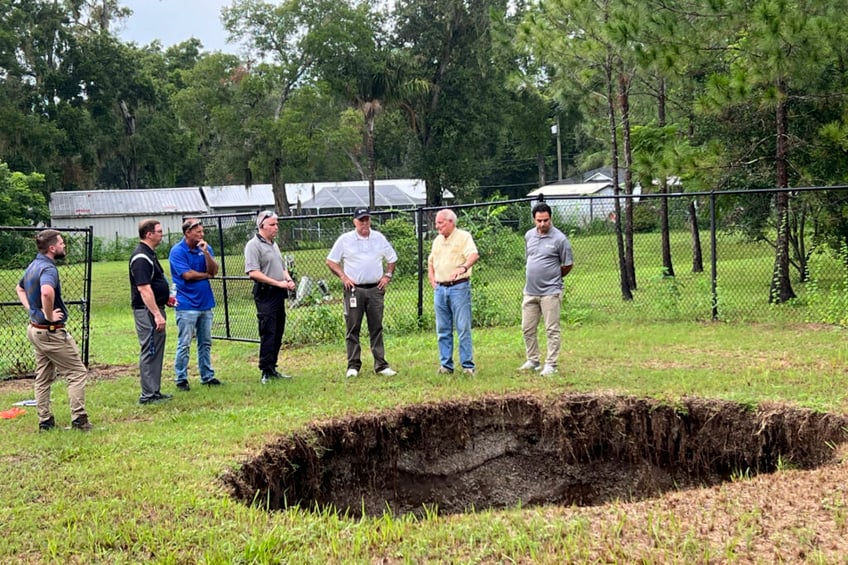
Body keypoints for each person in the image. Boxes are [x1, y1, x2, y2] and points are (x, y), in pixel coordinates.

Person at [16, 229, 92, 431]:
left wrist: (32, 309)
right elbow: (46, 291)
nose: (64, 246)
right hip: (50, 332)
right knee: (76, 372)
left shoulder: (34, 265)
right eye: (61, 243)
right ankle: (79, 420)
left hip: (35, 330)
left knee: (43, 377)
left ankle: (45, 421)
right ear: (52, 248)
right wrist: (48, 315)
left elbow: (19, 288)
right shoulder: (48, 269)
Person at [326, 207, 399, 378]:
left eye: (367, 219)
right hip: (354, 290)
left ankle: (381, 365)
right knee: (353, 327)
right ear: (355, 222)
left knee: (376, 327)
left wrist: (387, 276)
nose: (365, 223)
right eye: (361, 220)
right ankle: (353, 365)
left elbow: (392, 258)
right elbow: (331, 261)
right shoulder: (345, 240)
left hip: (375, 289)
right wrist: (344, 277)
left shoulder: (378, 238)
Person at [518, 202, 573, 376]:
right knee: (527, 328)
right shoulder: (529, 236)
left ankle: (551, 364)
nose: (542, 224)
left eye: (546, 220)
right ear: (534, 220)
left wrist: (554, 278)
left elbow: (568, 264)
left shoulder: (560, 239)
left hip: (550, 292)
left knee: (551, 329)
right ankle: (533, 360)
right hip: (530, 291)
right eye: (539, 221)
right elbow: (530, 259)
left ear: (551, 219)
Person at [244, 210, 297, 384]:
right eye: (272, 225)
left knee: (278, 330)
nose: (276, 228)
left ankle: (273, 366)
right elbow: (253, 273)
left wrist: (287, 279)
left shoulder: (273, 244)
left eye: (277, 224)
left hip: (278, 292)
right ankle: (265, 370)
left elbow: (281, 267)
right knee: (268, 330)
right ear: (261, 226)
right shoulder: (253, 245)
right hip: (265, 292)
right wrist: (277, 283)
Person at [169, 217, 221, 390]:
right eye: (198, 232)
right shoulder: (177, 251)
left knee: (205, 342)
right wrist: (206, 275)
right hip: (186, 304)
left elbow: (214, 270)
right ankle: (181, 378)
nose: (201, 234)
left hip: (205, 303)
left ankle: (207, 376)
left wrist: (206, 253)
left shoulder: (205, 248)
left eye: (202, 231)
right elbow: (187, 275)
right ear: (187, 232)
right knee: (184, 343)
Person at [427, 208, 479, 375]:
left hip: (458, 287)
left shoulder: (464, 237)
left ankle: (467, 366)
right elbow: (431, 260)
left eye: (440, 223)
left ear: (451, 222)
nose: (437, 227)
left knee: (463, 327)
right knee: (442, 329)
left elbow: (474, 255)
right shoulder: (437, 241)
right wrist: (431, 276)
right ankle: (446, 365)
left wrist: (462, 267)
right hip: (440, 289)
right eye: (436, 223)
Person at [129, 219, 175, 404]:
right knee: (150, 349)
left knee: (156, 350)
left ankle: (154, 391)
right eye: (159, 231)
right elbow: (144, 289)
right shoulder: (141, 257)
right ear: (149, 234)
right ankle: (148, 395)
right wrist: (156, 314)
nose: (161, 234)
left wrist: (165, 298)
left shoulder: (150, 254)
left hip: (155, 308)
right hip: (147, 312)